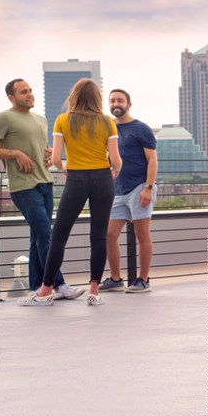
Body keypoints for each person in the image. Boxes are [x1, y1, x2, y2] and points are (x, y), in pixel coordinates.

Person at [20, 79, 122, 307]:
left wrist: (65, 168)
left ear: (73, 96)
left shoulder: (63, 120)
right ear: (97, 97)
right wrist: (115, 169)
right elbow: (115, 160)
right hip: (103, 180)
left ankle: (45, 291)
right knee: (98, 236)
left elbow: (55, 158)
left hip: (76, 179)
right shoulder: (107, 122)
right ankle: (94, 292)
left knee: (58, 237)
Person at [0, 79, 85, 301]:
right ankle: (59, 284)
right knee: (47, 236)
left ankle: (36, 286)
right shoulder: (4, 117)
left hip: (45, 183)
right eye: (23, 92)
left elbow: (40, 151)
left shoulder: (41, 119)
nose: (29, 94)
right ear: (12, 97)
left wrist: (47, 154)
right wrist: (15, 154)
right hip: (23, 186)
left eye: (30, 90)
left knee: (38, 237)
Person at [100, 89, 158, 294]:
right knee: (108, 235)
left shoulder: (140, 128)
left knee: (142, 234)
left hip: (139, 187)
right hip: (118, 190)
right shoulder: (109, 128)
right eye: (113, 100)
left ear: (129, 104)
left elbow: (152, 160)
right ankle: (116, 279)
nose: (116, 103)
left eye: (120, 100)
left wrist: (148, 188)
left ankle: (143, 280)